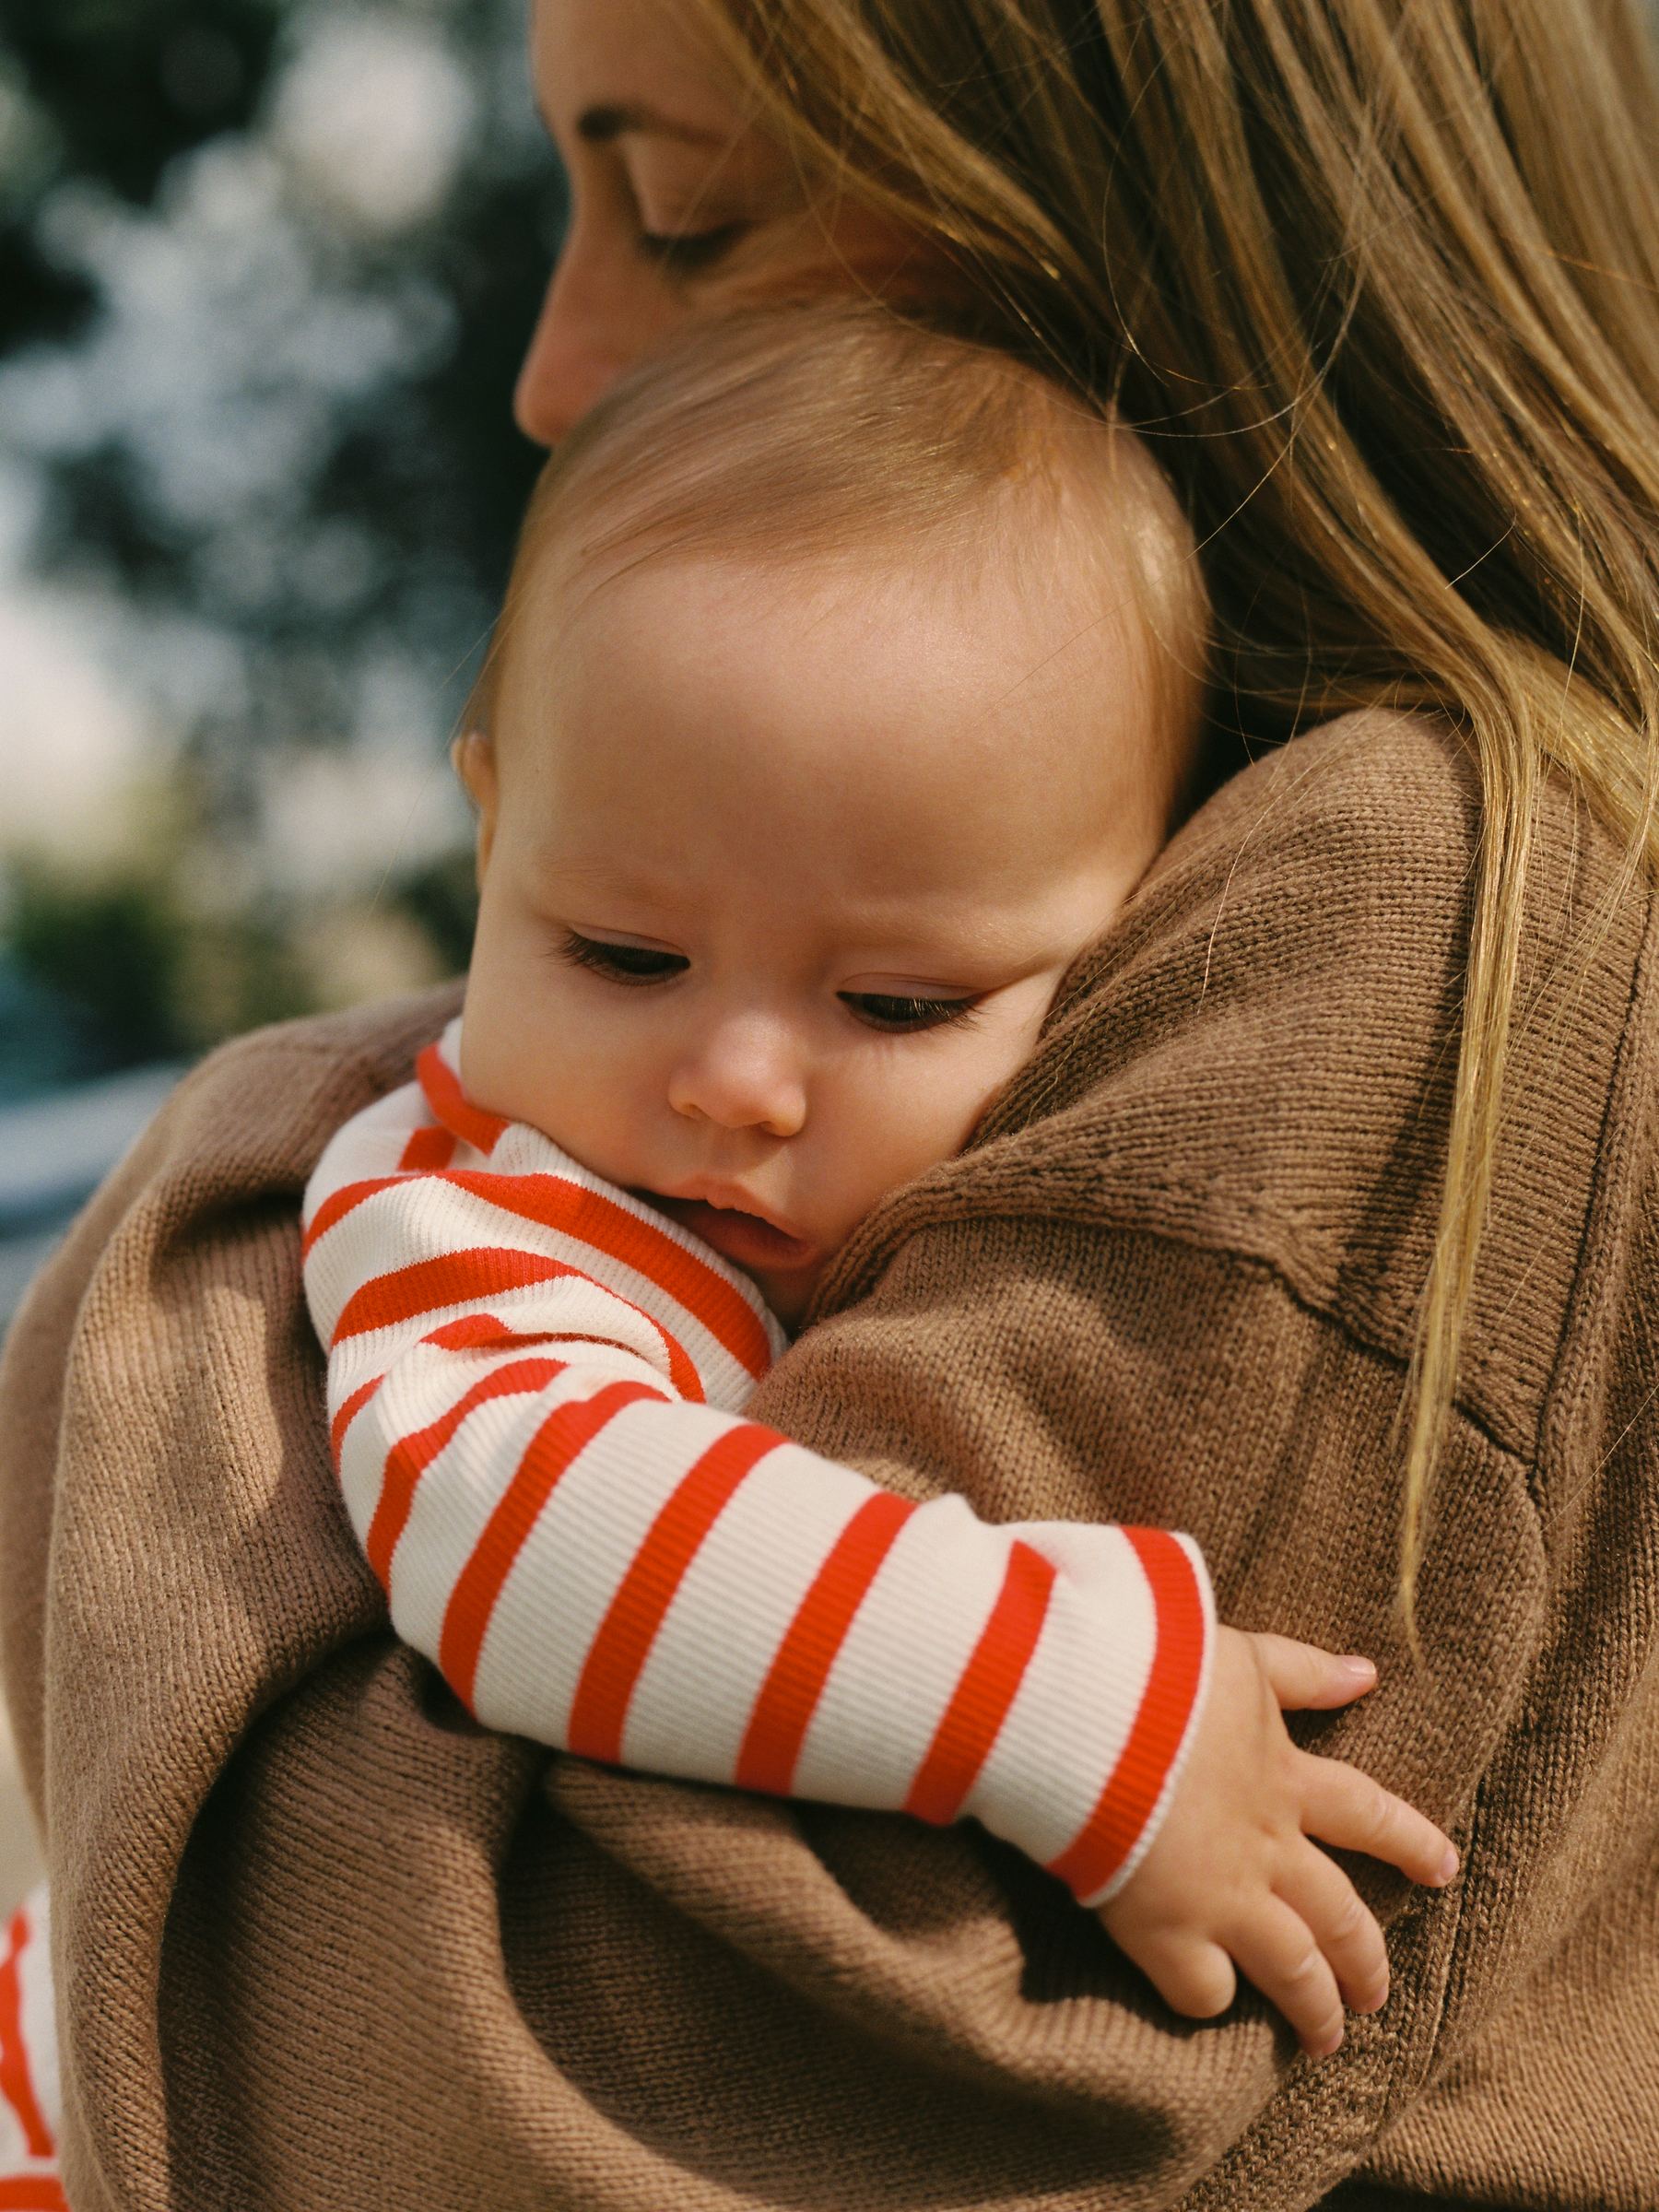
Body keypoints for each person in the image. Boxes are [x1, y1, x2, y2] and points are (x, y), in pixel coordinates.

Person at [0, 3, 1655, 2208]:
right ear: (489, 837)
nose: (553, 366)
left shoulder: (1425, 884)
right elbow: (540, 1530)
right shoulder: (485, 1206)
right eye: (612, 949)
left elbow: (520, 2078)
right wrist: (1089, 1715)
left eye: (688, 211)